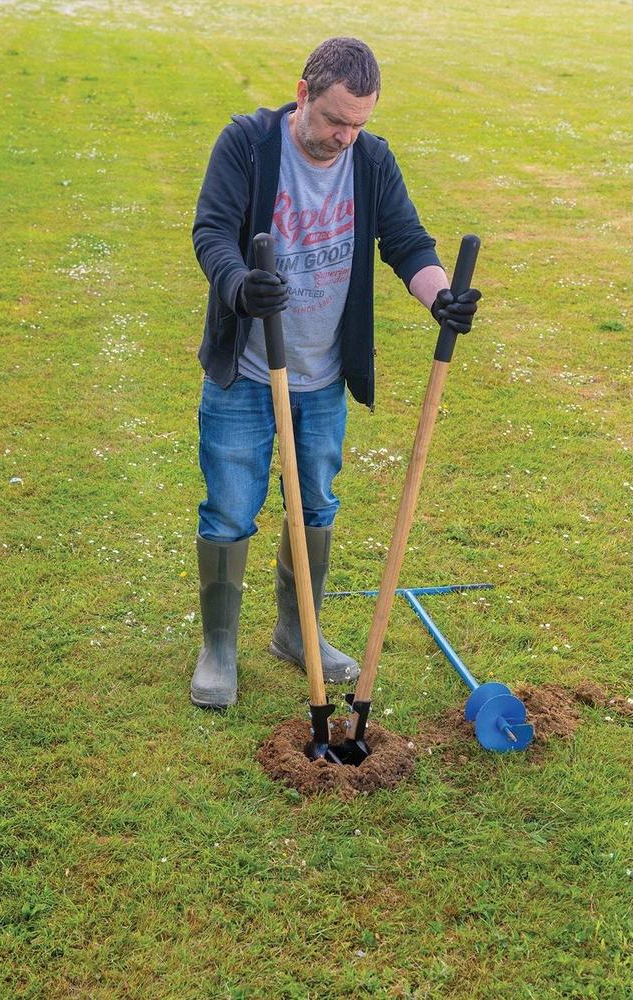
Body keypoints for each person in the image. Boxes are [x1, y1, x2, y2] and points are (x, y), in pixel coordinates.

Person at [189, 36, 481, 708]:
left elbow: (406, 241)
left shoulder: (370, 159)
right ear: (303, 94)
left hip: (322, 376)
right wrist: (239, 285)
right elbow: (212, 231)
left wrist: (440, 295)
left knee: (316, 504)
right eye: (334, 121)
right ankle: (219, 647)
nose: (345, 137)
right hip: (247, 370)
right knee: (230, 507)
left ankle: (298, 633)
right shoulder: (247, 144)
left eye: (358, 124)